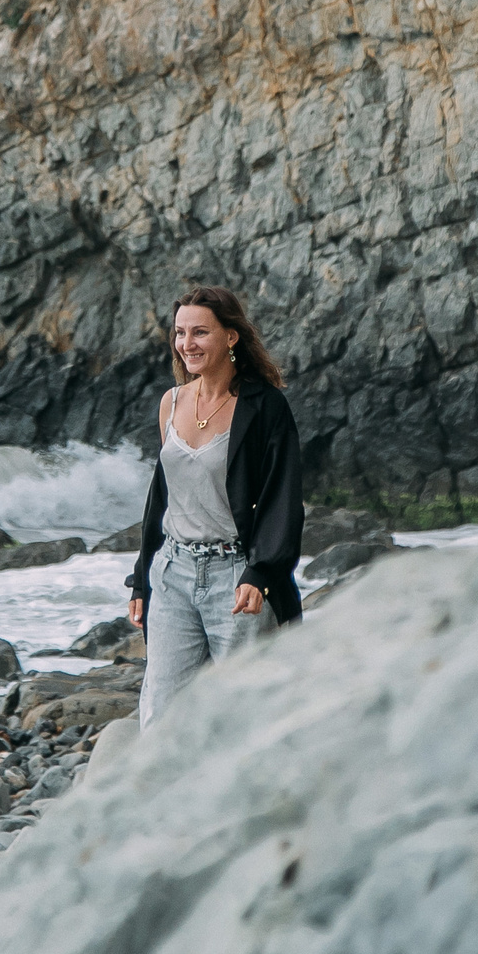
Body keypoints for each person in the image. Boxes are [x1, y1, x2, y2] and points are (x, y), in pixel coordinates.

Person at [125, 284, 304, 727]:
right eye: (180, 333)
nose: (187, 343)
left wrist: (260, 572)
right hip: (172, 574)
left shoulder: (264, 407)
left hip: (235, 578)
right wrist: (141, 580)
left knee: (246, 716)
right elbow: (161, 499)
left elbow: (283, 495)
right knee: (161, 717)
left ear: (231, 337)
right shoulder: (171, 403)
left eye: (200, 332)